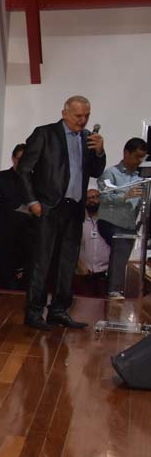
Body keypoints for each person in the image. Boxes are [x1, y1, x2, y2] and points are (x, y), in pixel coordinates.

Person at [17, 95, 106, 329]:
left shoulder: (87, 138)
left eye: (87, 115)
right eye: (78, 115)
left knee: (67, 263)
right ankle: (34, 313)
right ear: (64, 113)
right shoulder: (45, 134)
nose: (83, 120)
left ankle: (58, 310)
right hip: (47, 207)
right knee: (41, 262)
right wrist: (32, 201)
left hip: (74, 208)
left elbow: (96, 172)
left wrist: (99, 152)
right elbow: (24, 169)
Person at [97, 137, 148, 299]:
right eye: (137, 156)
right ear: (126, 153)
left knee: (123, 254)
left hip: (129, 225)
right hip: (109, 222)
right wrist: (125, 196)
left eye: (142, 157)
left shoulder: (141, 178)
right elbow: (103, 197)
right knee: (121, 244)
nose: (139, 161)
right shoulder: (110, 173)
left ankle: (115, 288)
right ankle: (113, 290)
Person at [0, 144, 32, 290]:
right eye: (20, 159)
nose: (23, 163)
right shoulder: (0, 177)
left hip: (28, 232)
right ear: (13, 159)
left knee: (27, 275)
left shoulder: (34, 178)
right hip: (5, 231)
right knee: (6, 275)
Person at [76, 186, 110, 297]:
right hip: (83, 274)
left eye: (95, 197)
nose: (92, 200)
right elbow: (72, 246)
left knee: (103, 305)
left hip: (105, 275)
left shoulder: (108, 222)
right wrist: (79, 265)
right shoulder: (79, 222)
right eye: (88, 198)